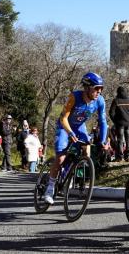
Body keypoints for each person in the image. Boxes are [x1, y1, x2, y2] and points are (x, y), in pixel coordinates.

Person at [43, 72, 107, 204]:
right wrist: (70, 133)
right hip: (64, 126)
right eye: (96, 88)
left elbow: (103, 122)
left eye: (101, 89)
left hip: (79, 126)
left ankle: (70, 172)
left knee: (86, 152)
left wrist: (102, 141)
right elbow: (63, 118)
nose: (99, 92)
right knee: (61, 157)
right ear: (87, 87)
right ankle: (50, 187)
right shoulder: (74, 97)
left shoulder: (100, 101)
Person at [109, 86, 129, 162]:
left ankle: (119, 157)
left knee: (120, 140)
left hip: (119, 124)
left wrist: (115, 121)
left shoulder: (116, 101)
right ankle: (128, 156)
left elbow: (111, 113)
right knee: (128, 140)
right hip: (128, 123)